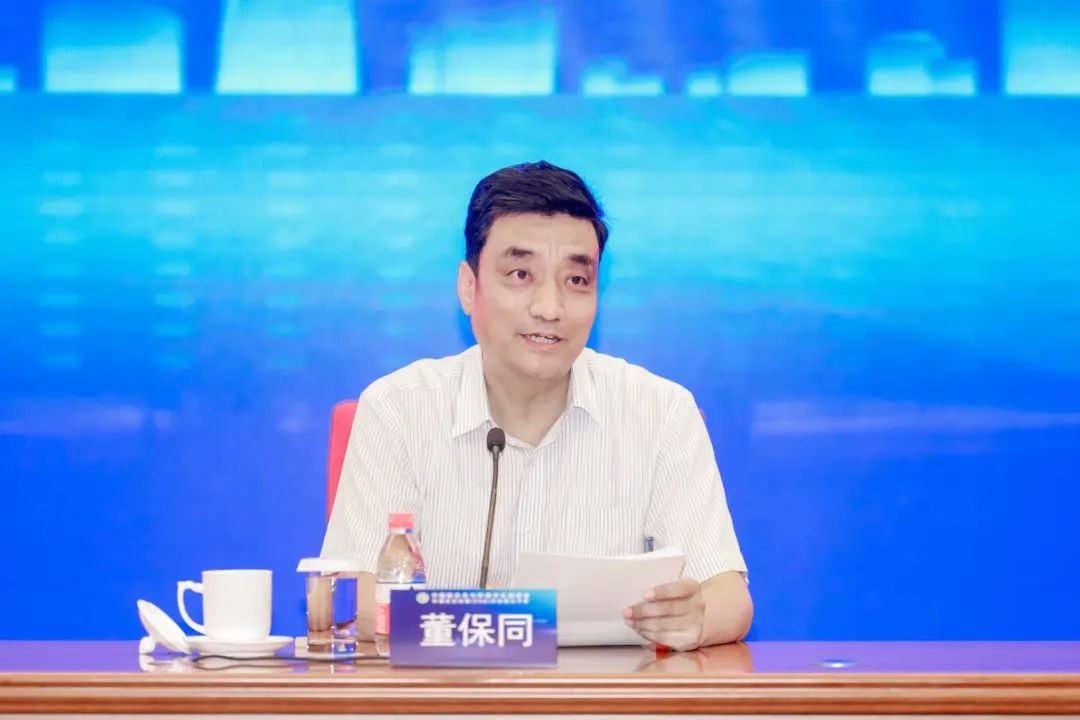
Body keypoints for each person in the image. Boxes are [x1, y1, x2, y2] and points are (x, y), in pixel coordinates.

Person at [321, 161, 751, 650]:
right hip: (446, 691)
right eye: (521, 274)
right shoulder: (399, 409)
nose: (550, 308)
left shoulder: (660, 412)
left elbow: (728, 597)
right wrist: (528, 624)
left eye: (576, 280)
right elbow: (355, 596)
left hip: (603, 693)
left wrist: (695, 617)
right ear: (469, 287)